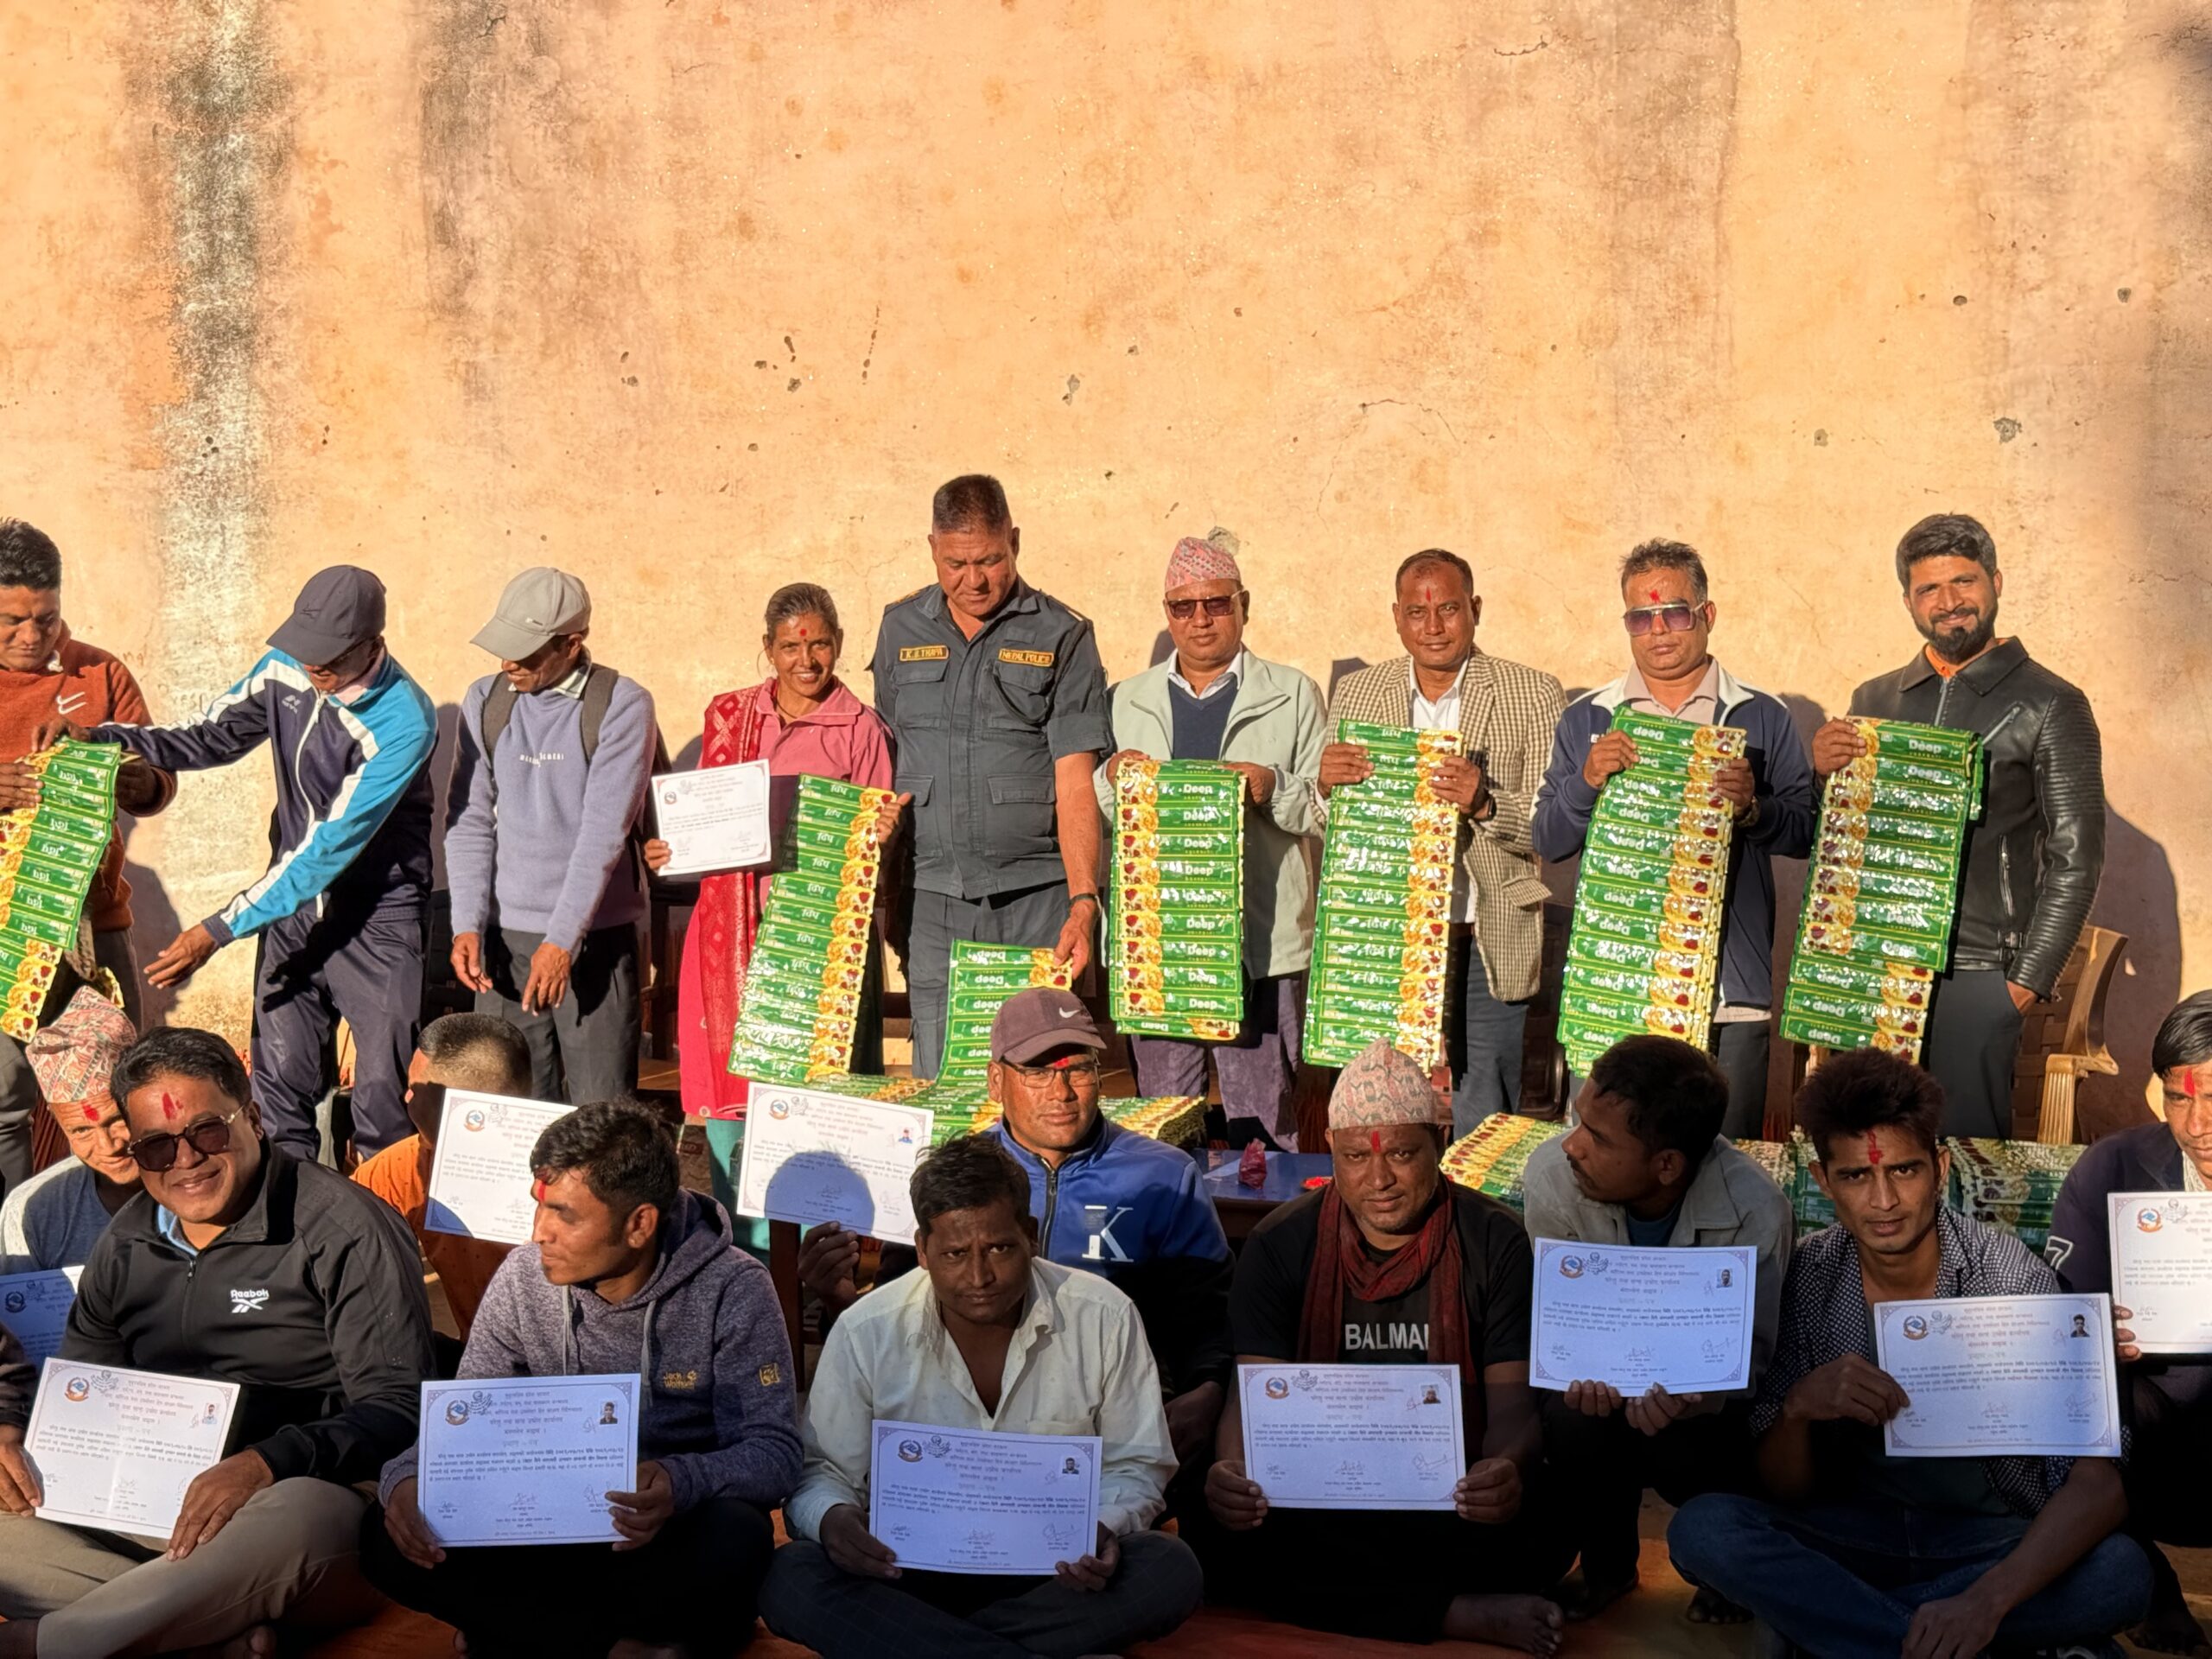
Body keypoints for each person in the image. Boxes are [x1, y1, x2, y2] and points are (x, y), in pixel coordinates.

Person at [1668, 1048, 2150, 1658]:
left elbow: (2098, 1485)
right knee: (1703, 1528)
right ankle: (1943, 1639)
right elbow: (1783, 1492)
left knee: (2122, 1572)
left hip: (1989, 1541)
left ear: (1941, 1168)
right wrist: (1798, 1410)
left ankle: (1843, 1630)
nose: (1884, 1201)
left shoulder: (2007, 1275)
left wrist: (1987, 1599)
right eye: (1855, 1176)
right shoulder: (1813, 1274)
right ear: (1823, 1181)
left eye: (1903, 1171)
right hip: (1855, 1534)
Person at [0, 1027, 434, 1659]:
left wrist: (266, 1462)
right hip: (151, 1509)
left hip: (307, 1502)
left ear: (253, 1118)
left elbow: (398, 1406)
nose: (186, 1160)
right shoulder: (125, 1245)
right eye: (155, 1147)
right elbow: (86, 1392)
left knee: (294, 1523)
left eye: (206, 1132)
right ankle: (202, 1636)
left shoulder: (343, 1228)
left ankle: (44, 1646)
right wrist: (14, 1432)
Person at [362, 1100, 800, 1658]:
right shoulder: (524, 1279)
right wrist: (404, 1479)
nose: (539, 1232)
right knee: (383, 1536)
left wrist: (676, 1480)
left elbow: (775, 1453)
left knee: (738, 1539)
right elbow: (462, 1424)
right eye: (539, 1206)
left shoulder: (734, 1288)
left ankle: (519, 1631)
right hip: (540, 1523)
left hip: (659, 1532)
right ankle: (625, 1646)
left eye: (565, 1215)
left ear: (639, 1223)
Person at [760, 1134, 1204, 1658]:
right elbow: (823, 1471)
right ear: (922, 1251)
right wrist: (834, 1519)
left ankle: (924, 1648)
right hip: (905, 1572)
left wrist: (1103, 1527)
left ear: (1030, 1235)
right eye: (953, 1254)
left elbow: (1137, 1464)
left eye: (999, 1248)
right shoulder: (867, 1329)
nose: (979, 1277)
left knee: (1170, 1568)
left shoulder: (1103, 1315)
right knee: (789, 1574)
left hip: (1054, 1574)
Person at [1201, 1038, 1572, 1652]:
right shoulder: (1279, 1244)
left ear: (1440, 1146)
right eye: (1354, 1158)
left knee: (1553, 1513)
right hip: (1320, 1502)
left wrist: (1502, 1469)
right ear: (1333, 1154)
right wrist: (1232, 1473)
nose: (1379, 1179)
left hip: (1449, 1502)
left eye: (1402, 1153)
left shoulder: (1495, 1242)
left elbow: (1513, 1407)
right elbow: (1253, 1396)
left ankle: (1379, 1603)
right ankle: (1451, 1612)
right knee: (1209, 1526)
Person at [60, 566, 438, 1159]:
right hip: (288, 914)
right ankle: (286, 1240)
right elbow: (205, 736)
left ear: (373, 646)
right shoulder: (286, 666)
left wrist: (217, 930)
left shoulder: (404, 722)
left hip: (377, 919)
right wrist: (101, 739)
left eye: (330, 657)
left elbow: (325, 850)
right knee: (280, 1087)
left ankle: (383, 1238)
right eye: (307, 649)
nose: (314, 666)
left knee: (382, 1102)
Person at [800, 988, 1234, 1486]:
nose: (1062, 1092)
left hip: (1117, 1415)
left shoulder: (1165, 1175)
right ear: (995, 1080)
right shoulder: (953, 1178)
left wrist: (1207, 1391)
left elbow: (1210, 1313)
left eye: (1078, 1068)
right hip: (960, 1425)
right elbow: (902, 1318)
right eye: (1037, 1071)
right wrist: (840, 1303)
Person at [1810, 514, 2104, 1140]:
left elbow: (2077, 854)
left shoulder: (2052, 702)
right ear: (1909, 601)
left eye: (1963, 583)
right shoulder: (1876, 699)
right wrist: (1822, 776)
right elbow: (1843, 840)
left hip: (1978, 972)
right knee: (1873, 1154)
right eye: (1929, 590)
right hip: (1876, 965)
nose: (1949, 604)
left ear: (1995, 582)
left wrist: (2023, 983)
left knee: (1966, 1161)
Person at [640, 582, 900, 1239]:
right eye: (790, 646)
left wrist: (880, 832)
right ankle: (744, 1246)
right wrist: (672, 848)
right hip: (728, 939)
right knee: (733, 1094)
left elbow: (872, 837)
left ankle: (821, 1256)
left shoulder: (860, 729)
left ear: (838, 645)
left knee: (815, 1095)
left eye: (818, 644)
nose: (805, 660)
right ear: (768, 649)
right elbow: (705, 820)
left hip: (817, 942)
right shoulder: (730, 717)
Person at [1533, 540, 1815, 1135]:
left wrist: (1753, 810)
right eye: (1641, 617)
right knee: (1607, 1165)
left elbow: (1807, 831)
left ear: (1707, 616)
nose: (1658, 630)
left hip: (1729, 995)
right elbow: (1549, 838)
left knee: (1727, 1167)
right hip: (1614, 993)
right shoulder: (1589, 718)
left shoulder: (1758, 717)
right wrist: (1586, 781)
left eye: (1675, 612)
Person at [1519, 1033, 1796, 1622]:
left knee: (1696, 1441)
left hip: (1697, 1416)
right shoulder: (1551, 1177)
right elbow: (1558, 1328)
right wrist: (1577, 1373)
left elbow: (1752, 1366)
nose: (1572, 1145)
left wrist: (1694, 1400)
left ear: (1667, 1165)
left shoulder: (1755, 1210)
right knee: (1570, 1417)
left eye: (1597, 1138)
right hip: (1595, 1395)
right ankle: (1607, 1570)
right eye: (1578, 1122)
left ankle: (1725, 1571)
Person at [869, 474, 1110, 1078]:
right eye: (956, 563)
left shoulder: (1062, 634)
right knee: (941, 1079)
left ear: (1016, 543)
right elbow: (885, 758)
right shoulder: (900, 630)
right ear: (931, 549)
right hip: (935, 903)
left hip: (1037, 901)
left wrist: (1084, 903)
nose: (973, 581)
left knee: (1041, 1080)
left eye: (989, 561)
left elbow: (1076, 779)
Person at [1096, 532, 1326, 1149]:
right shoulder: (1127, 701)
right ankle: (1174, 1239)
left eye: (1216, 603)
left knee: (1265, 1124)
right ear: (1167, 613)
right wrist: (1113, 779)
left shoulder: (1292, 693)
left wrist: (1274, 787)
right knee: (1163, 1126)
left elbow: (1329, 809)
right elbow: (1105, 812)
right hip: (1160, 948)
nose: (1200, 619)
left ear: (1243, 604)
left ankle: (1264, 1242)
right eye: (1183, 607)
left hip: (1262, 946)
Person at [1325, 550, 1567, 1133]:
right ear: (1397, 618)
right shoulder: (1358, 694)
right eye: (1416, 612)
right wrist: (1324, 788)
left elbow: (1556, 823)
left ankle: (1482, 1222)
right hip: (1388, 934)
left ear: (1475, 610)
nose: (1433, 627)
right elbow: (1328, 824)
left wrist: (1485, 801)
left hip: (1488, 929)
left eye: (1449, 610)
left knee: (1486, 1107)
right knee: (1385, 1104)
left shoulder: (1531, 692)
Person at [0, 519, 175, 1188]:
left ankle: (126, 1254)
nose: (32, 636)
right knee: (5, 1106)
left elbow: (159, 779)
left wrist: (132, 776)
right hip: (6, 938)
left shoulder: (100, 673)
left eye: (46, 619)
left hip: (96, 927)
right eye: (11, 621)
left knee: (120, 1096)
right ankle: (20, 1269)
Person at [446, 568, 658, 1105]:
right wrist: (466, 925)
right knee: (506, 1106)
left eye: (526, 652)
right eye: (503, 648)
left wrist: (562, 941)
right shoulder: (486, 700)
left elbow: (602, 835)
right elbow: (469, 819)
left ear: (571, 643)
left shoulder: (621, 704)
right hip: (503, 945)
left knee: (600, 1115)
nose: (508, 664)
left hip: (595, 945)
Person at [2043, 990, 2212, 1656]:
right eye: (2180, 1097)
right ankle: (2148, 1585)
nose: (2199, 1123)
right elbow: (2062, 1320)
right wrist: (2092, 1331)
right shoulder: (2111, 1169)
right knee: (2069, 1400)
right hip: (2157, 1429)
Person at [347, 1012, 533, 1349]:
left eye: (415, 1090)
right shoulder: (399, 1169)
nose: (406, 1099)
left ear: (468, 1112)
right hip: (477, 1359)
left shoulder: (580, 1171)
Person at [0, 988, 138, 1272]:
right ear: (56, 1121)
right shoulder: (33, 1209)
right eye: (81, 1130)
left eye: (118, 1121)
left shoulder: (193, 1179)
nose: (108, 1146)